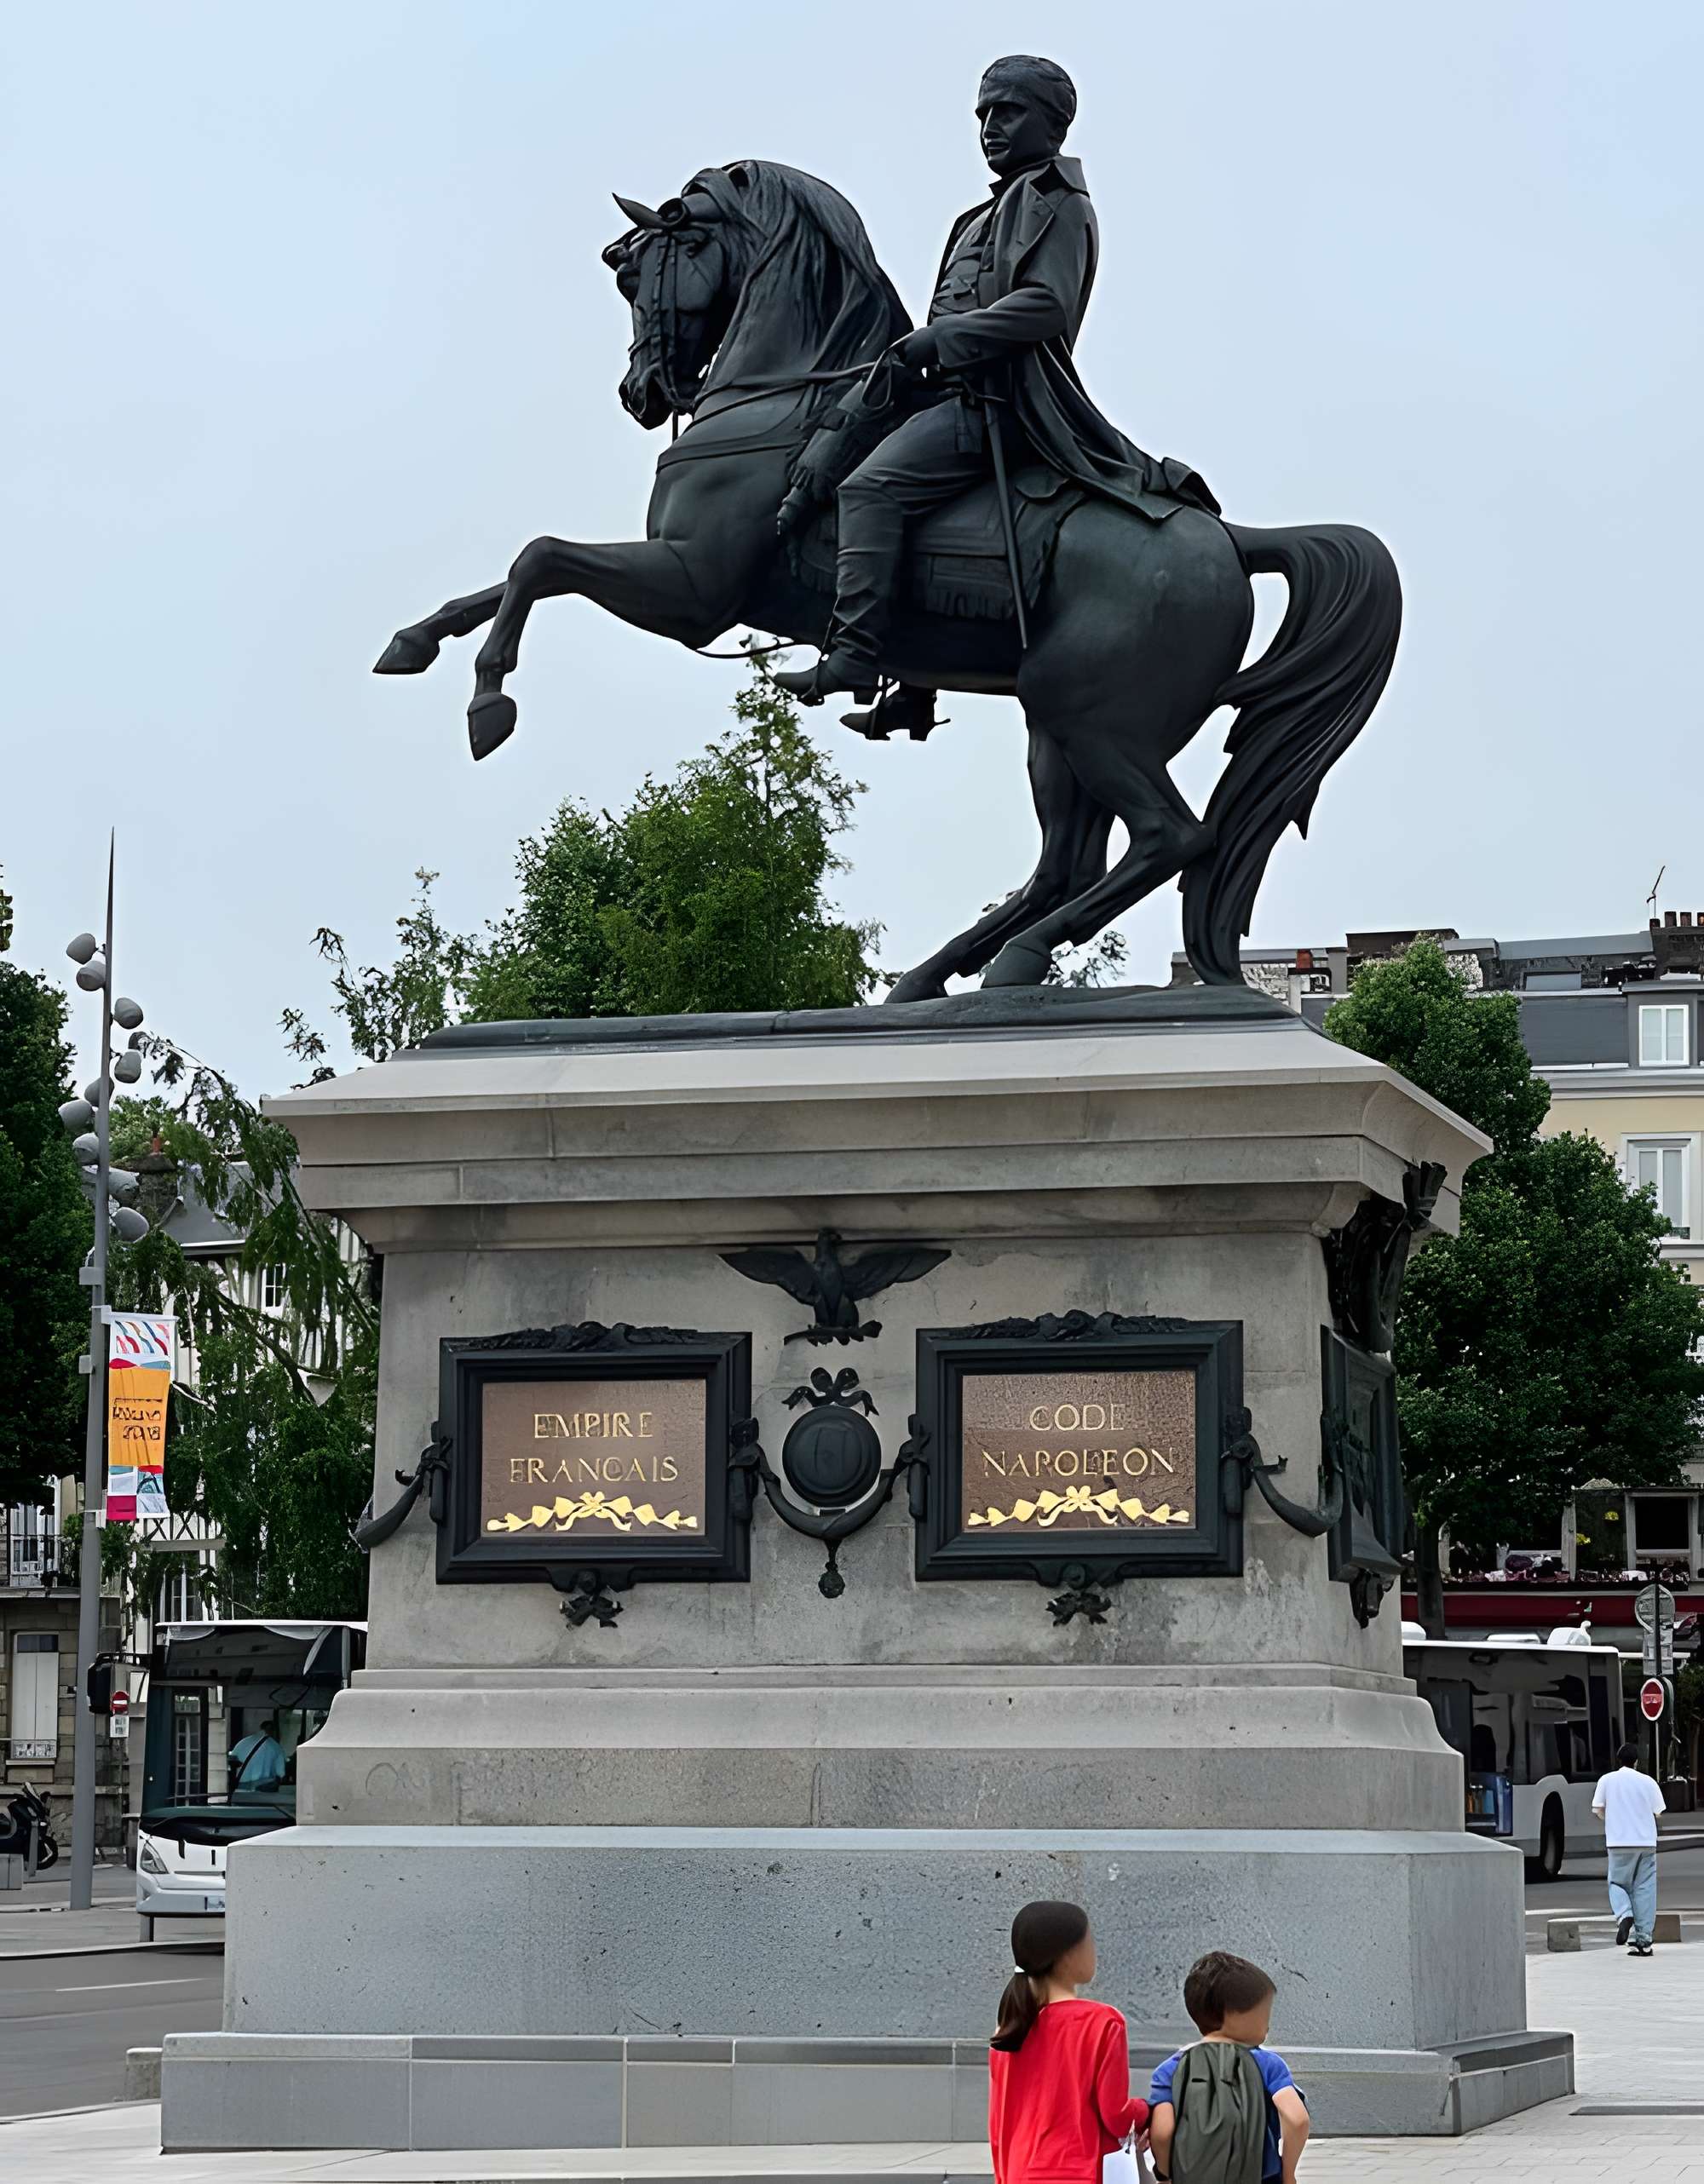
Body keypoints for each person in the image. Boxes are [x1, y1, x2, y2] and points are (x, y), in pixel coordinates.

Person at [774, 54, 1214, 738]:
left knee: (872, 491)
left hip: (1001, 405)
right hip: (946, 393)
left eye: (1006, 112)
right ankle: (914, 687)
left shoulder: (1058, 204)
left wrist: (938, 344)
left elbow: (1044, 307)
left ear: (1052, 122)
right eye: (983, 113)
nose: (989, 126)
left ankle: (856, 656)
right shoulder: (979, 215)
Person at [988, 1900, 1149, 2184]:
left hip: (1018, 2172)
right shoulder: (1102, 2022)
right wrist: (1148, 2110)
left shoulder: (1008, 2030)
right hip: (1077, 2173)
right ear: (1067, 1956)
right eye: (1090, 1942)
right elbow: (1116, 2116)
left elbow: (999, 2124)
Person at [1148, 1952, 1308, 2184]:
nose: (1268, 2023)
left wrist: (1166, 2176)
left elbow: (1163, 2134)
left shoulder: (1170, 2069)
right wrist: (1288, 2174)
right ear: (1236, 2015)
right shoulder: (1267, 2064)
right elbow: (1297, 2120)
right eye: (1264, 2013)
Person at [1592, 1739, 1666, 1957]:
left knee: (1617, 1882)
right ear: (1636, 1761)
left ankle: (1624, 1915)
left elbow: (1598, 1809)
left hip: (1618, 1842)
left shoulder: (1606, 1780)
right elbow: (1659, 1811)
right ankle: (1644, 1941)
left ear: (1618, 1760)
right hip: (1646, 1843)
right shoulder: (1648, 1782)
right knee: (1645, 1889)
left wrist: (1612, 1818)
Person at [229, 1716, 287, 1796]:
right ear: (273, 1731)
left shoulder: (242, 1742)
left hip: (241, 1783)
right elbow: (281, 1773)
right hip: (264, 1785)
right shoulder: (276, 1747)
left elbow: (232, 1760)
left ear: (261, 1728)